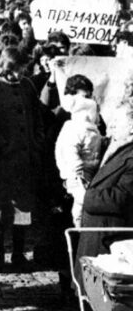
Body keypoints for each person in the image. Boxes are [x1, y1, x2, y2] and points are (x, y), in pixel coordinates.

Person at [0, 46, 44, 269]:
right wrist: (2, 147)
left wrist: (36, 142)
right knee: (0, 210)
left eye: (23, 69)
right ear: (5, 67)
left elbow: (37, 117)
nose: (19, 74)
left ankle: (18, 253)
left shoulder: (28, 86)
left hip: (25, 161)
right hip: (1, 163)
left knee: (22, 210)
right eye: (15, 70)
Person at [75, 71, 133, 292]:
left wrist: (86, 196)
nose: (111, 128)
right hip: (97, 237)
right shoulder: (118, 148)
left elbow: (121, 198)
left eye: (117, 123)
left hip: (109, 241)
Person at [55, 96, 104, 228]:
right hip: (79, 174)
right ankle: (79, 231)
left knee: (82, 204)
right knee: (83, 202)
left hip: (90, 171)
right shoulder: (75, 130)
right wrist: (77, 171)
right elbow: (70, 151)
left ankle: (82, 230)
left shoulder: (92, 130)